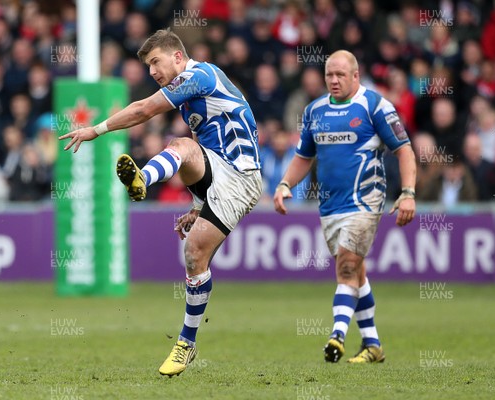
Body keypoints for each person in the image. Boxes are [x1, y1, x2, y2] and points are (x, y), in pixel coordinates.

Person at [60, 28, 262, 376]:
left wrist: (96, 129)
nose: (153, 71)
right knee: (194, 253)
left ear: (178, 58)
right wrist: (198, 205)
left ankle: (143, 179)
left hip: (242, 176)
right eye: (149, 66)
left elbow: (143, 110)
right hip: (218, 170)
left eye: (156, 62)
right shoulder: (190, 100)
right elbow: (203, 153)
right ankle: (188, 345)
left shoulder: (200, 75)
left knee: (181, 146)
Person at [274, 50, 416, 364]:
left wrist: (407, 192)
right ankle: (372, 344)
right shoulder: (314, 111)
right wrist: (285, 184)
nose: (334, 81)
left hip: (366, 201)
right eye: (329, 75)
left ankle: (337, 335)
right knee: (357, 273)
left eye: (340, 75)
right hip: (330, 206)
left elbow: (404, 150)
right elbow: (303, 157)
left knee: (346, 268)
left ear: (355, 75)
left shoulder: (375, 105)